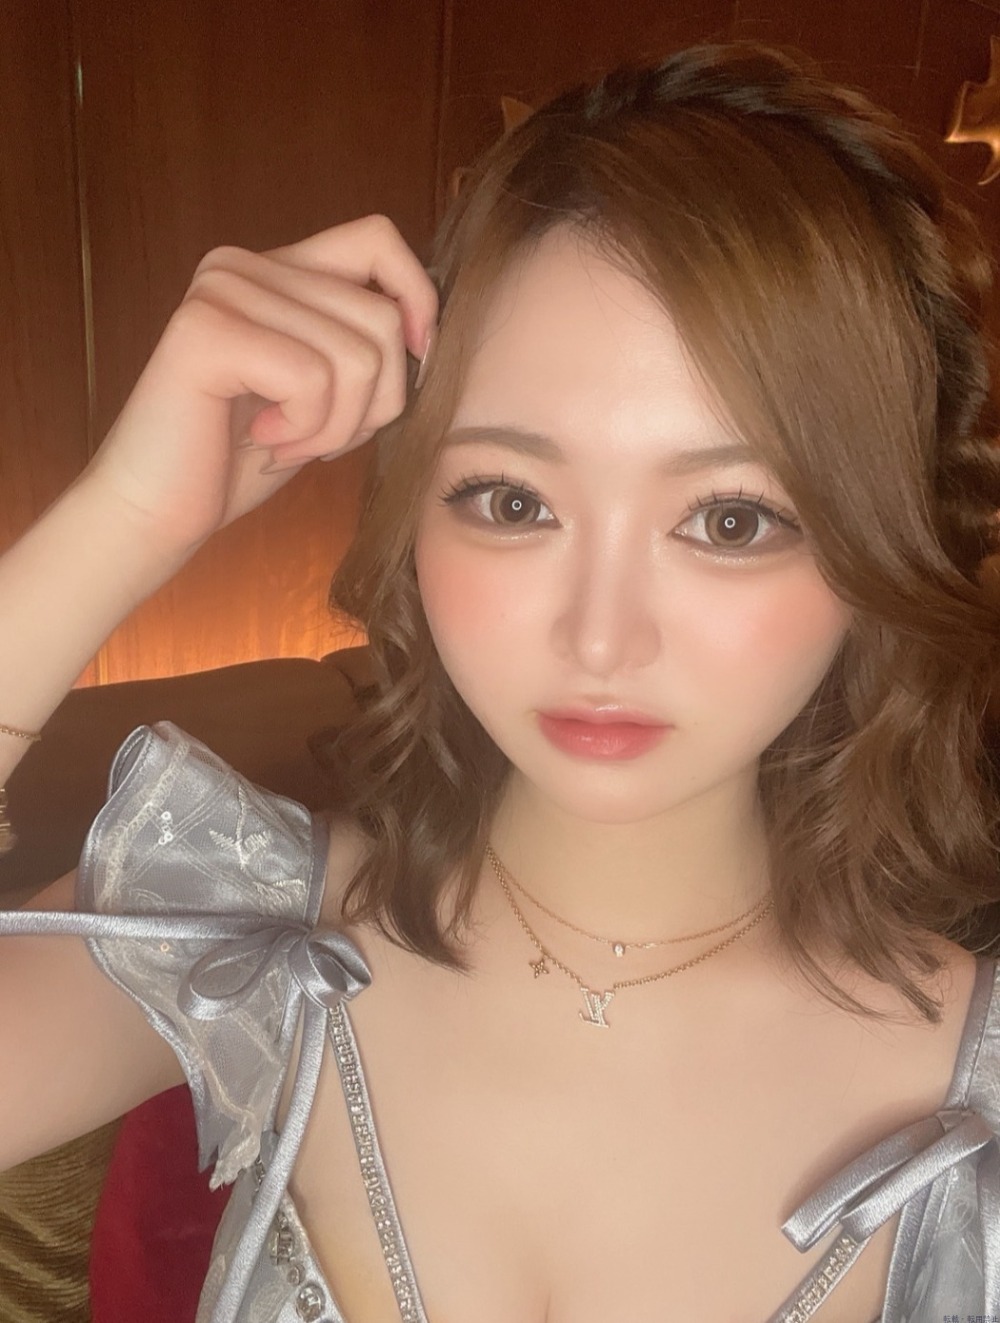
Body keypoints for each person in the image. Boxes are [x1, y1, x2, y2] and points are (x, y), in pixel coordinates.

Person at [1, 34, 999, 1323]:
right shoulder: (241, 935)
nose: (600, 638)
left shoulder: (971, 1092)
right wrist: (122, 520)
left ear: (876, 548)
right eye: (514, 499)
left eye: (732, 519)